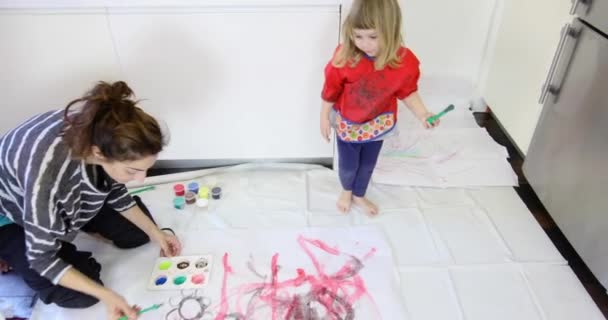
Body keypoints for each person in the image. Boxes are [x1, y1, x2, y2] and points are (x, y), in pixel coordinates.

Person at [0, 81, 182, 320]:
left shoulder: (103, 132)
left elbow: (114, 189)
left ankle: (73, 221)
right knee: (83, 295)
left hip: (60, 196)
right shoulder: (48, 176)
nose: (141, 180)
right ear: (98, 154)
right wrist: (107, 295)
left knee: (138, 234)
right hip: (14, 216)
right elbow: (42, 258)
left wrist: (155, 232)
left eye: (146, 169)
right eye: (132, 171)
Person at [320, 0, 440, 216]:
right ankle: (347, 190)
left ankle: (359, 193)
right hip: (349, 124)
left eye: (373, 37)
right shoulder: (345, 57)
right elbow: (330, 89)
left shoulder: (403, 62)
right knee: (348, 166)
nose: (365, 44)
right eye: (358, 36)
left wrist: (423, 114)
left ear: (391, 30)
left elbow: (408, 92)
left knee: (367, 165)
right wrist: (323, 116)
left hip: (377, 124)